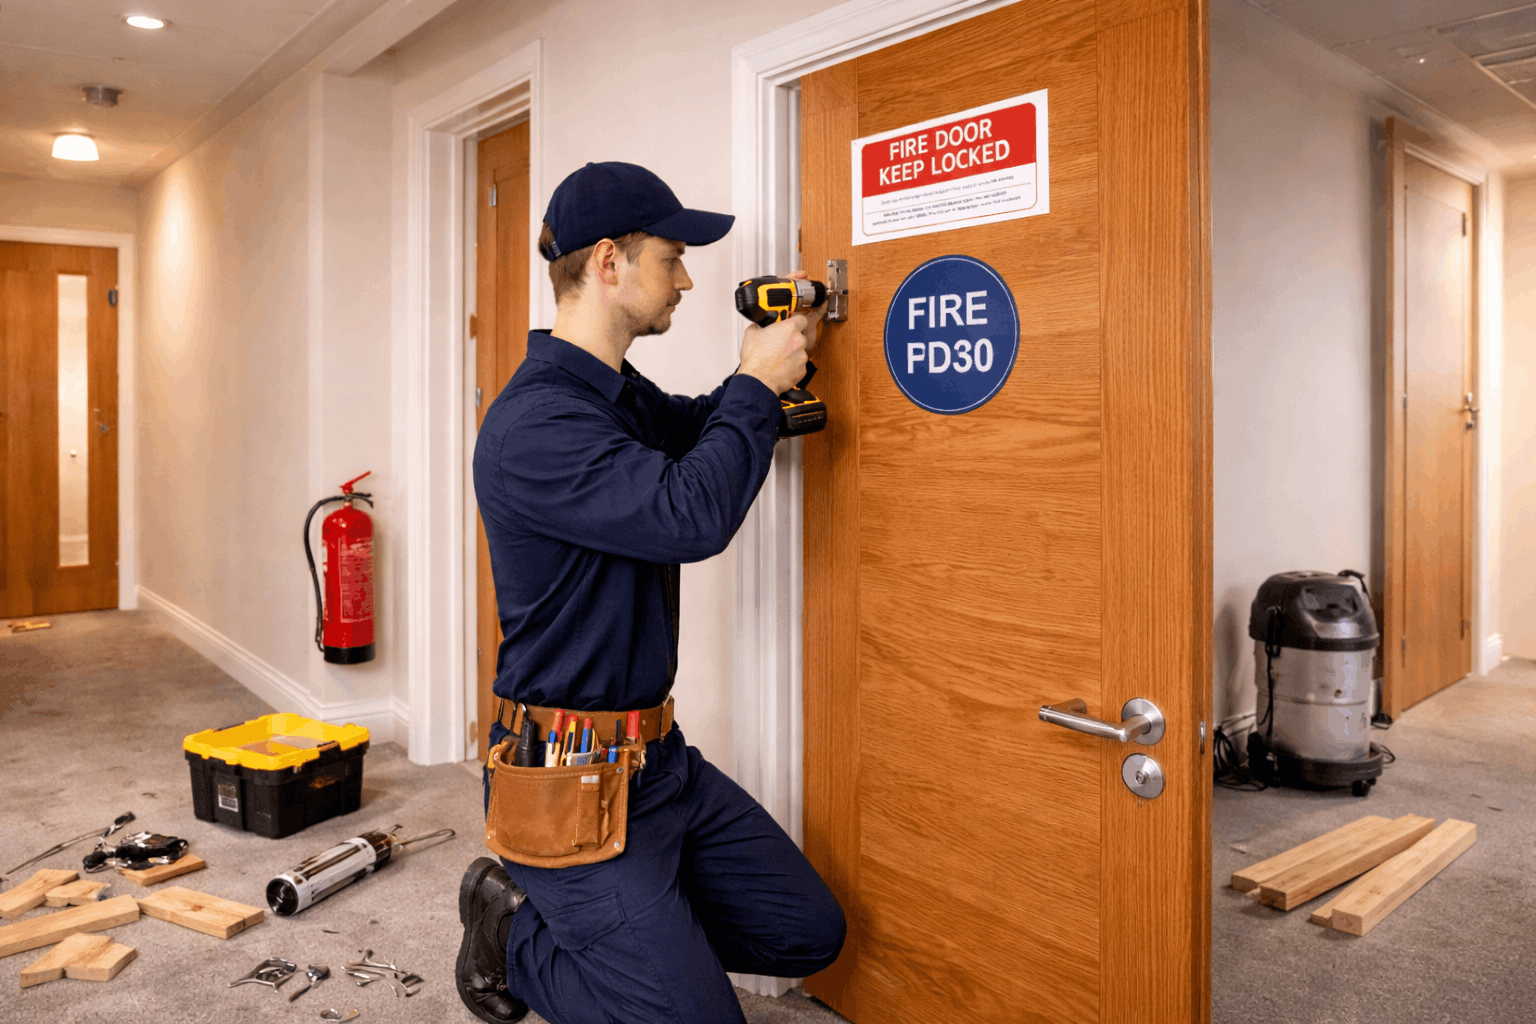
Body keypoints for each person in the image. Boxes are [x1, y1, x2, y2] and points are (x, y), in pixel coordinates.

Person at [456, 161, 846, 1024]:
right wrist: (754, 382)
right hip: (562, 783)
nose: (687, 277)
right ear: (608, 263)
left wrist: (775, 381)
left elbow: (701, 427)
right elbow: (689, 517)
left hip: (658, 765)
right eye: (671, 257)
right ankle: (516, 934)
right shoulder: (534, 426)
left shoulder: (615, 394)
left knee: (807, 934)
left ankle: (641, 942)